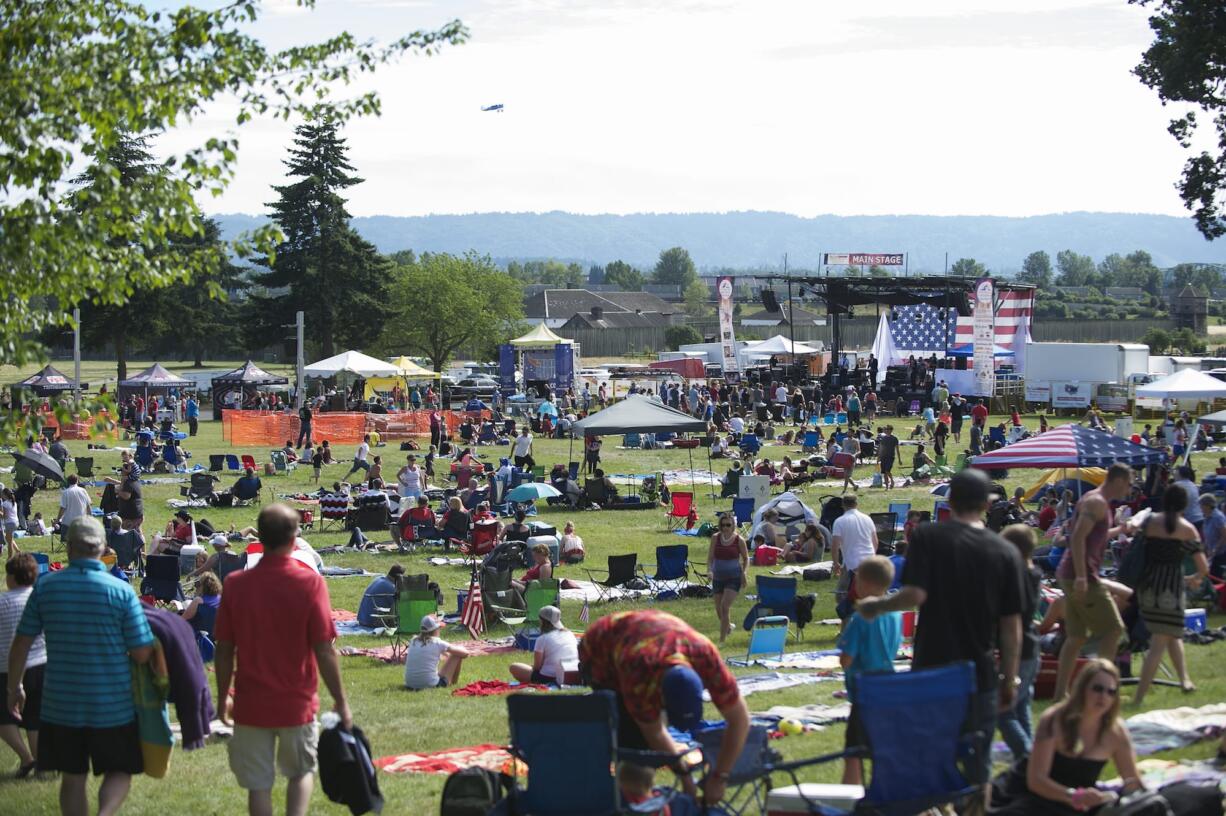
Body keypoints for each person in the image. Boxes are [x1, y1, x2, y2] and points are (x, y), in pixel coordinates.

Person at [857, 469, 1024, 813]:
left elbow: (916, 595)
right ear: (987, 505)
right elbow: (1011, 626)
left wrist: (878, 605)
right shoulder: (1004, 551)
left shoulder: (928, 536)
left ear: (949, 501)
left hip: (933, 669)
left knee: (928, 757)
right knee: (978, 766)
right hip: (978, 672)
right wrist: (1011, 676)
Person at [7, 517, 155, 815]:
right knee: (120, 770)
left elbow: (21, 642)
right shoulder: (121, 591)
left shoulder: (45, 588)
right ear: (102, 549)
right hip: (113, 705)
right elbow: (141, 653)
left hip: (60, 704)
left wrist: (15, 687)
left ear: (70, 547)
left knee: (72, 779)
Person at [215, 503, 351, 816]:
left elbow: (223, 649)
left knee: (258, 785)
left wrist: (223, 699)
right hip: (296, 702)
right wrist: (341, 701)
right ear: (295, 539)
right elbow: (324, 648)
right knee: (300, 772)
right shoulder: (310, 583)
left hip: (250, 702)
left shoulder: (236, 583)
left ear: (259, 537)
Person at [578, 610, 749, 806]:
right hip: (601, 646)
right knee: (635, 745)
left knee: (646, 741)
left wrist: (720, 777)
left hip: (649, 636)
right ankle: (630, 800)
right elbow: (655, 732)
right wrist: (686, 779)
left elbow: (740, 720)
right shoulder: (639, 672)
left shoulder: (706, 655)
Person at [994, 659, 1144, 815]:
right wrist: (1074, 795)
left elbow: (1131, 780)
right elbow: (1036, 780)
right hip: (1031, 795)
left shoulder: (1116, 731)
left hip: (1079, 804)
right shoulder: (1054, 719)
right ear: (1082, 689)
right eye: (1097, 689)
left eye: (1111, 692)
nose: (1103, 696)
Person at [1053, 463, 1132, 701]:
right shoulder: (1096, 502)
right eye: (1128, 484)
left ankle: (1061, 695)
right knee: (1114, 629)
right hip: (1082, 575)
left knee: (1076, 638)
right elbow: (1076, 537)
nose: (1129, 490)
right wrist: (1080, 576)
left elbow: (1094, 536)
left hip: (1071, 574)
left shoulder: (1094, 500)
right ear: (1118, 481)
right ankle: (1103, 689)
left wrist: (1120, 529)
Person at [1131, 484, 1209, 705]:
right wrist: (1194, 579)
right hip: (1170, 591)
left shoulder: (1149, 522)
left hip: (1147, 589)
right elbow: (1203, 567)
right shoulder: (1186, 529)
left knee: (1172, 634)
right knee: (1159, 642)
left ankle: (1185, 680)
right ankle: (1139, 697)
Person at [838, 555, 901, 786]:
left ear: (868, 584)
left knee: (853, 753)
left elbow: (846, 659)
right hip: (889, 687)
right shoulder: (895, 613)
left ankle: (851, 797)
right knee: (882, 747)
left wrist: (844, 661)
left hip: (865, 690)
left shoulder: (860, 616)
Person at [997, 524, 1042, 761]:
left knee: (1003, 713)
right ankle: (1030, 756)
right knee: (1021, 707)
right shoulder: (1033, 573)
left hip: (1020, 651)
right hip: (1032, 649)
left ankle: (1028, 761)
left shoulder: (1018, 578)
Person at [0, 554, 46, 778]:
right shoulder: (40, 599)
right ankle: (39, 764)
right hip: (40, 663)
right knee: (34, 718)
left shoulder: (3, 601)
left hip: (8, 667)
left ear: (13, 577)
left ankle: (26, 757)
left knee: (3, 716)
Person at [831, 494, 878, 621]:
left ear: (843, 505)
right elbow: (875, 542)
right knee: (868, 594)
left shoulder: (840, 521)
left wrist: (836, 563)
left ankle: (847, 625)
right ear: (856, 504)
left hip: (852, 564)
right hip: (870, 561)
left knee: (842, 595)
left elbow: (835, 545)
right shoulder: (867, 519)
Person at [509, 606, 578, 685]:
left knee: (514, 667)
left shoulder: (543, 639)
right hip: (569, 673)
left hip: (548, 677)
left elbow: (537, 667)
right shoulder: (569, 634)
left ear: (541, 620)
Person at [707, 515, 749, 643]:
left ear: (733, 526)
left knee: (725, 606)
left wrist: (744, 573)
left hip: (733, 577)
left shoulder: (739, 540)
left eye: (728, 525)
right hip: (718, 577)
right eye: (723, 525)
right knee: (719, 609)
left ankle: (722, 640)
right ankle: (728, 627)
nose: (725, 528)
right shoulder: (715, 538)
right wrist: (709, 570)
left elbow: (746, 559)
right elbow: (710, 558)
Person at [404, 615, 470, 690]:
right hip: (431, 685)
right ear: (435, 629)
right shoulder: (437, 642)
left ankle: (450, 682)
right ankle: (453, 684)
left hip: (409, 684)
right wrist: (459, 647)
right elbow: (465, 653)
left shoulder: (413, 640)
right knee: (457, 654)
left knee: (454, 653)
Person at [357, 564, 404, 628]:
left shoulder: (378, 578)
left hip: (362, 619)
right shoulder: (391, 588)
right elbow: (400, 607)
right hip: (371, 622)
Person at [183, 572, 222, 639]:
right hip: (215, 635)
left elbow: (182, 619)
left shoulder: (199, 601)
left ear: (202, 586)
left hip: (199, 635)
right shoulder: (221, 599)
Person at [877, 424, 899, 490]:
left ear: (891, 430)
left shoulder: (894, 438)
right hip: (883, 457)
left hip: (891, 456)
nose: (886, 430)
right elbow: (881, 448)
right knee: (884, 472)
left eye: (888, 429)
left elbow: (897, 449)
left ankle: (892, 481)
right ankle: (886, 487)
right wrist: (878, 457)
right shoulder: (883, 438)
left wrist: (899, 459)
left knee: (887, 471)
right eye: (886, 429)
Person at [1, 489, 19, 557]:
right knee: (8, 538)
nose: (1, 495)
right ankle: (17, 551)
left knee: (9, 542)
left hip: (10, 523)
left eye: (2, 493)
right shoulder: (14, 502)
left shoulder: (5, 503)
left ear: (5, 495)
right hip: (15, 522)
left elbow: (4, 516)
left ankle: (10, 558)